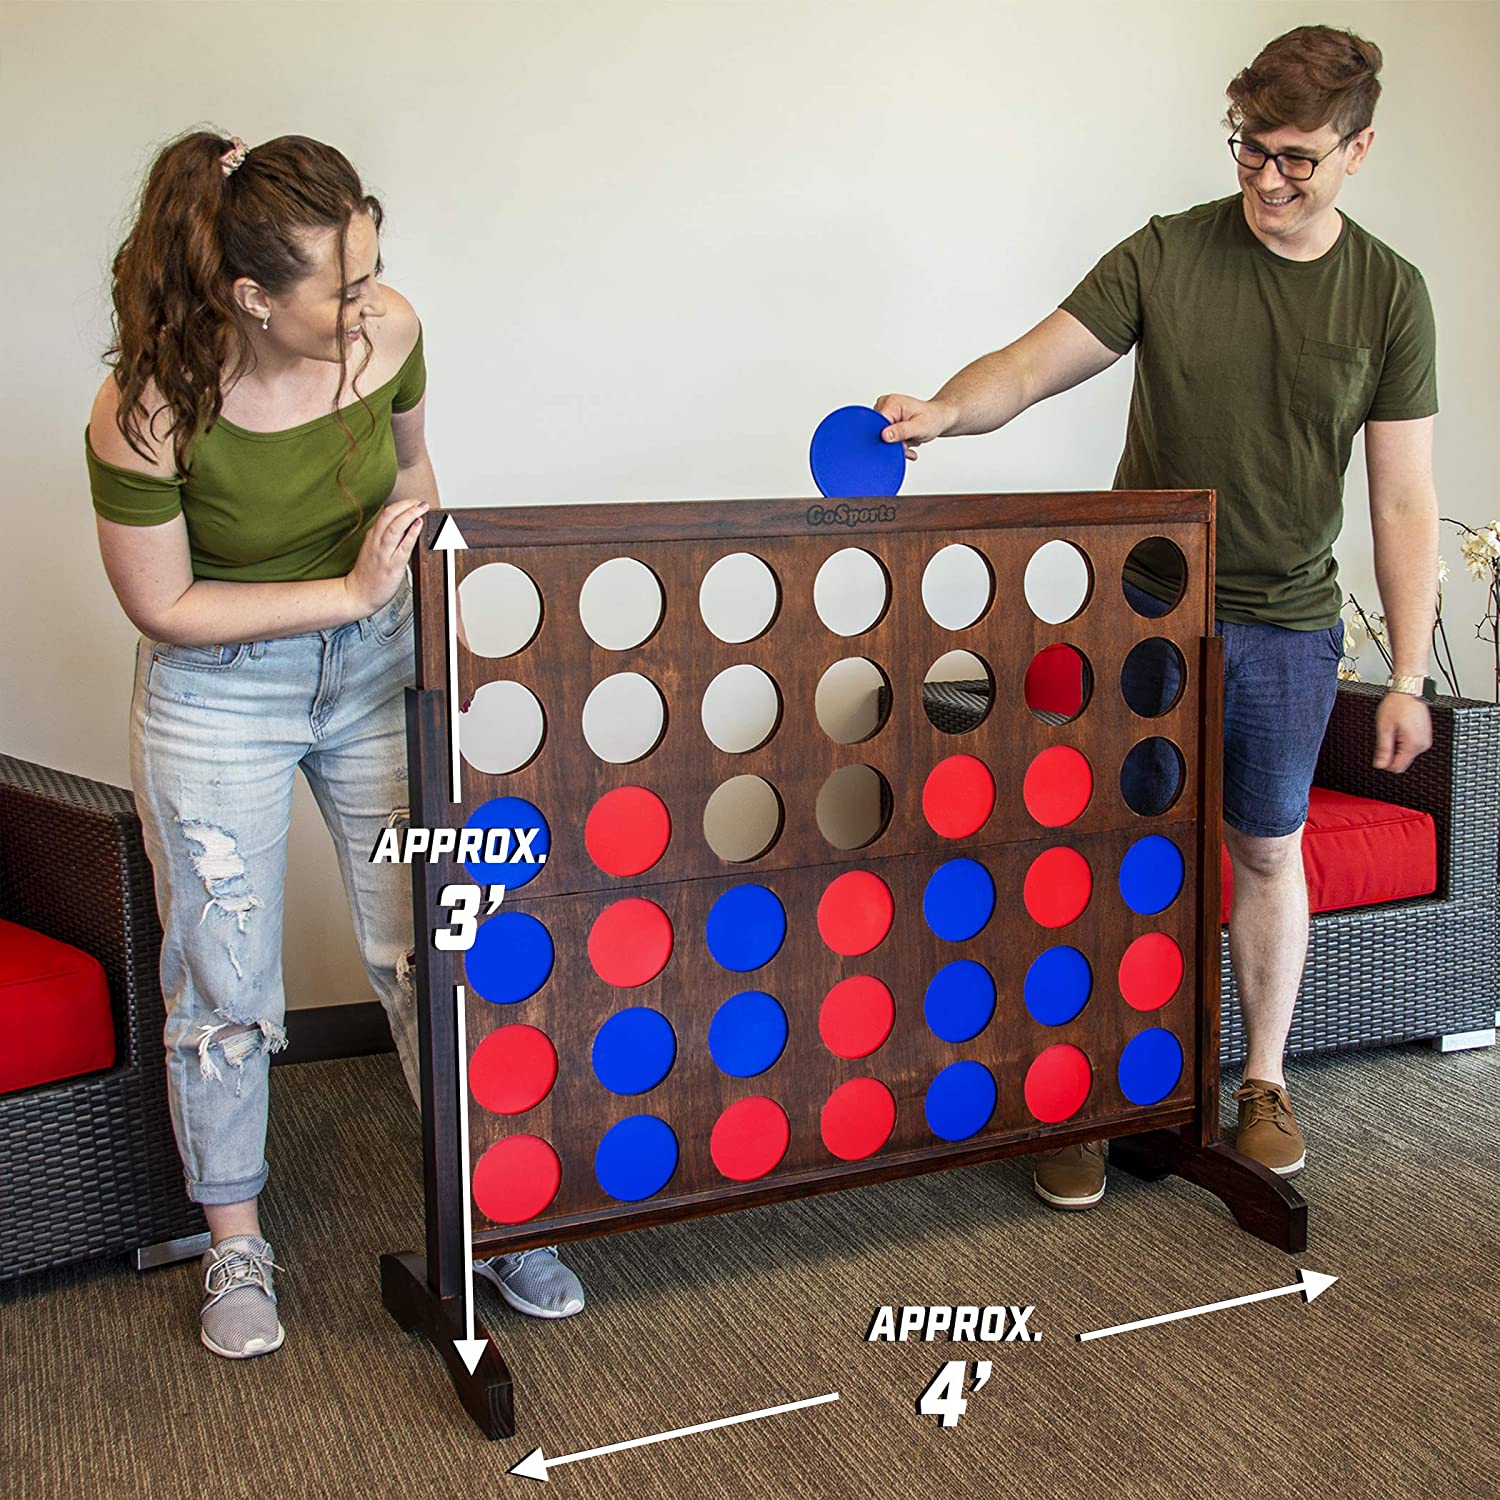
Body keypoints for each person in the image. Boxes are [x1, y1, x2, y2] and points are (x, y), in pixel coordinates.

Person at [874, 26, 1437, 1208]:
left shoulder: (1390, 294)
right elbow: (1030, 366)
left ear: (1358, 148)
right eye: (1249, 148)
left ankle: (1262, 1084)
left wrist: (1402, 678)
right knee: (1120, 847)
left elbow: (1400, 498)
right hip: (1144, 613)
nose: (1266, 178)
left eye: (1295, 157)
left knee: (1264, 848)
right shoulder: (1168, 252)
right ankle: (1094, 1089)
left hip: (1287, 624)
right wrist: (946, 411)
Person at [87, 131, 583, 1358]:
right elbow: (164, 605)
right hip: (220, 690)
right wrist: (351, 592)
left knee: (431, 945)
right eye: (342, 289)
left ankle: (486, 1208)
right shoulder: (148, 412)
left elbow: (414, 476)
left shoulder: (393, 336)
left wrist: (424, 616)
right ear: (252, 297)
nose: (370, 306)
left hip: (377, 672)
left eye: (374, 271)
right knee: (224, 982)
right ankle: (235, 1243)